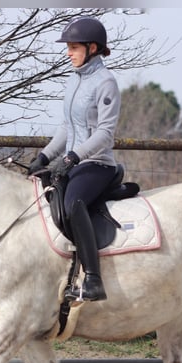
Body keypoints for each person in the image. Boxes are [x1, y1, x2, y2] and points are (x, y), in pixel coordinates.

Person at [28, 16, 121, 302]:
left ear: (92, 48)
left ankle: (93, 279)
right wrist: (45, 155)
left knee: (73, 203)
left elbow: (105, 133)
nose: (68, 52)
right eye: (68, 47)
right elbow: (67, 127)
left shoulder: (106, 83)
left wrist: (73, 156)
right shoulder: (74, 80)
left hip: (97, 164)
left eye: (73, 47)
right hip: (73, 161)